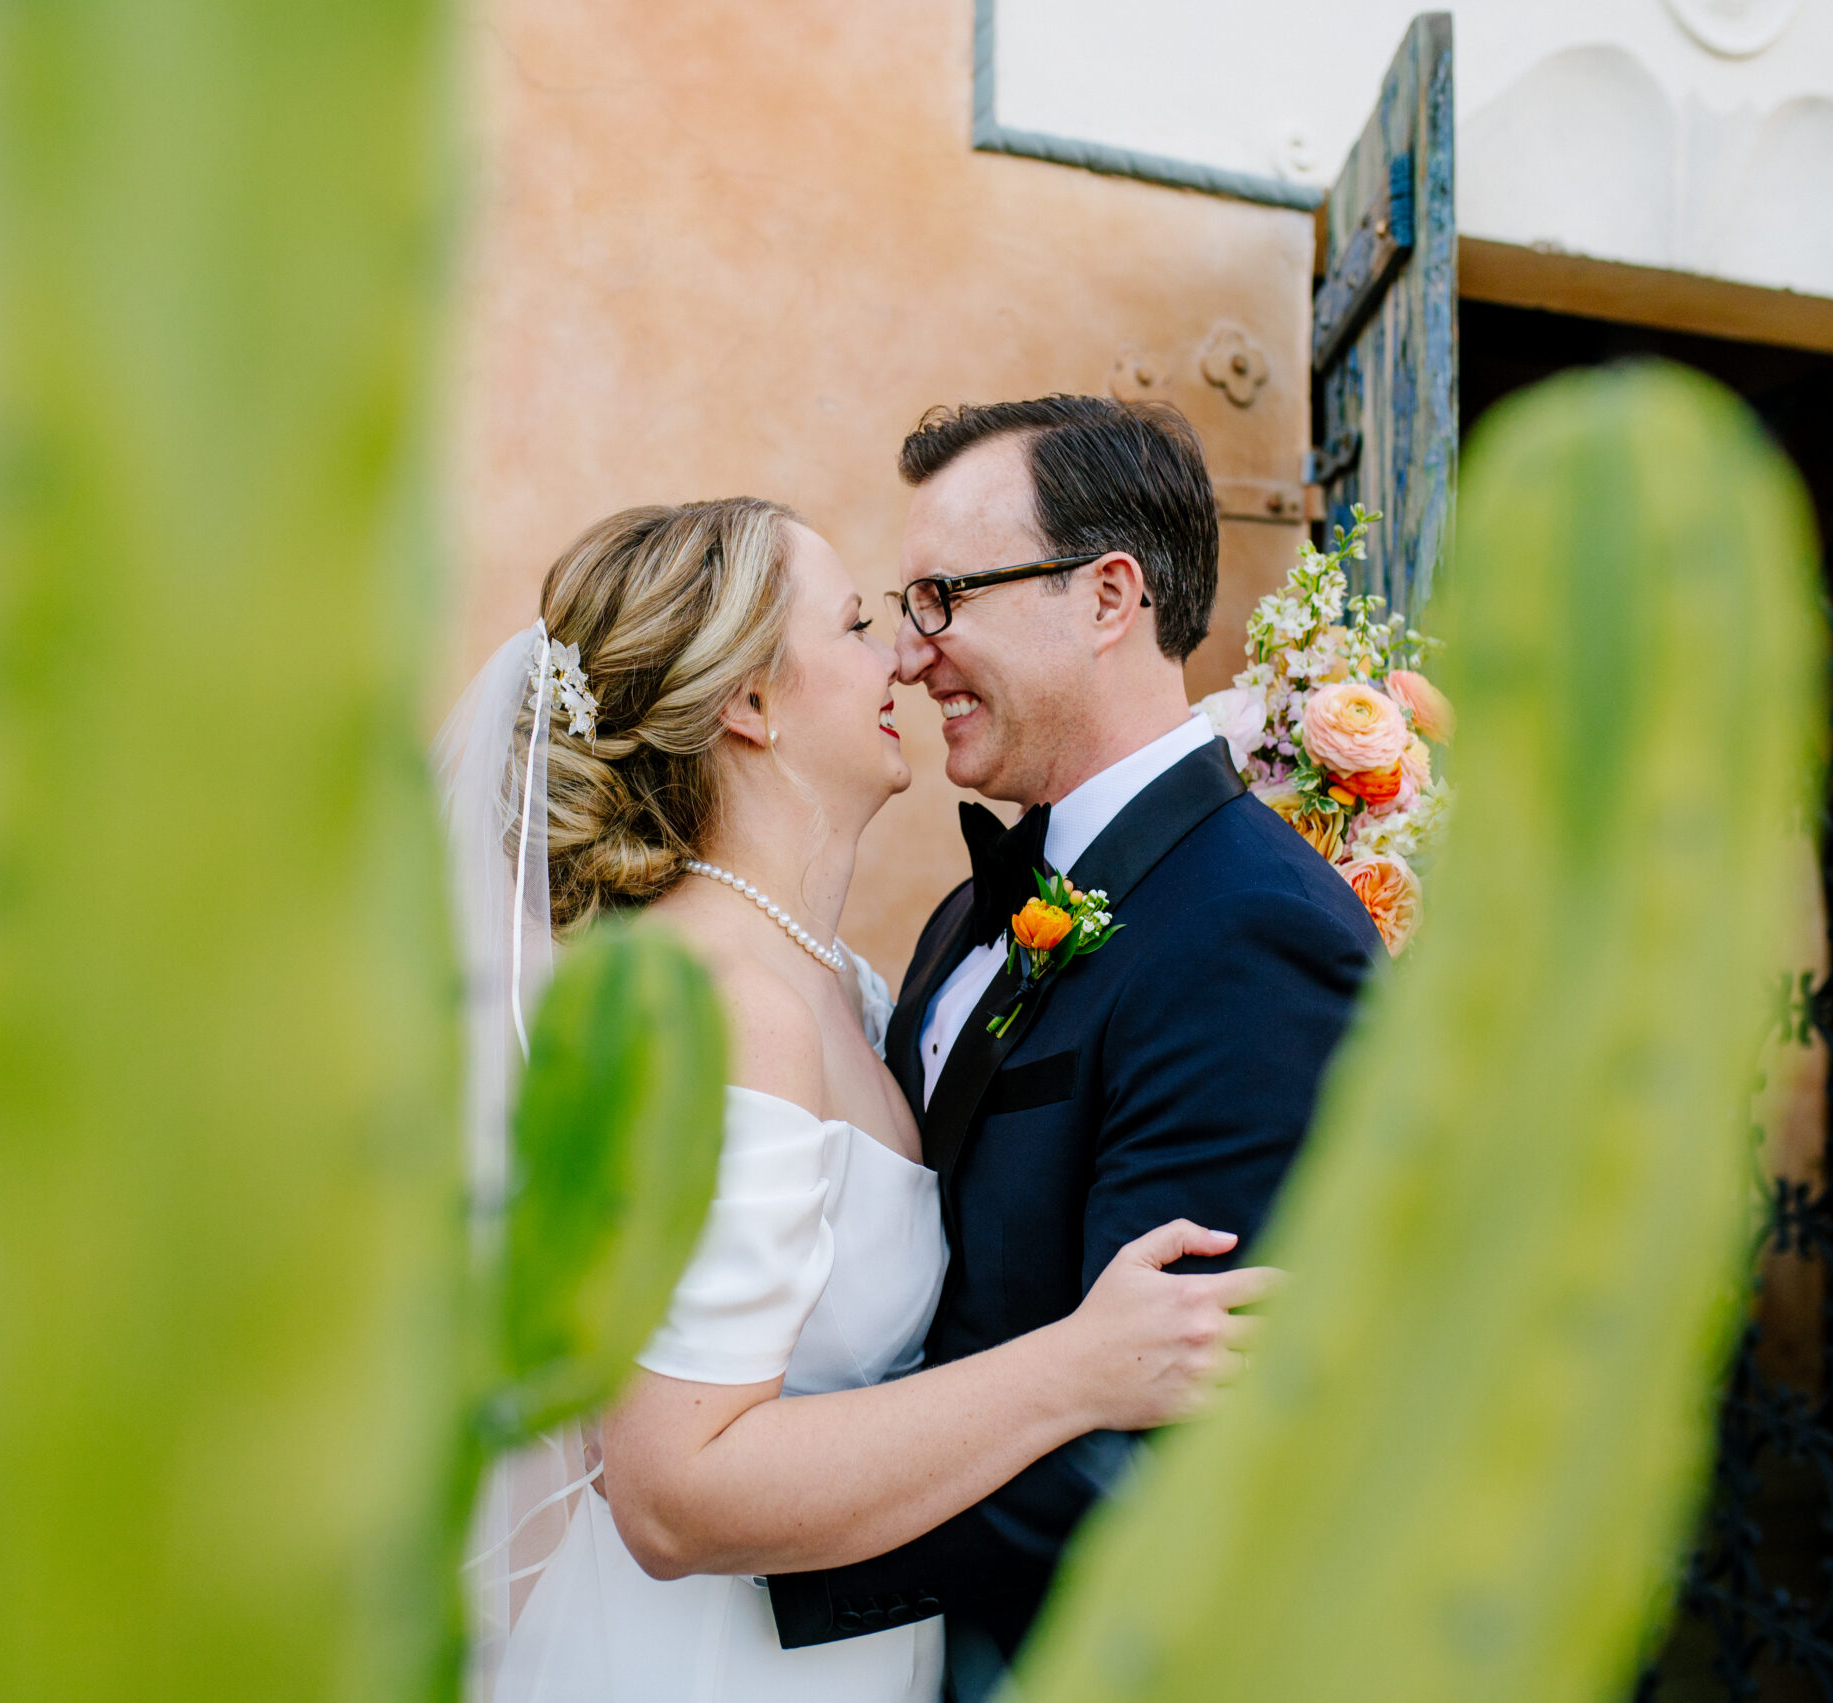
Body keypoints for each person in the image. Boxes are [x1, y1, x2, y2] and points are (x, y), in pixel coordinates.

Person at [441, 496, 1273, 1703]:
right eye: (855, 625)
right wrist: (1081, 1370)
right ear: (752, 704)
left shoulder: (834, 981)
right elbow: (675, 1492)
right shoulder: (728, 1004)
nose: (902, 654)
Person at [762, 397, 1384, 1698]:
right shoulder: (960, 916)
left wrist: (771, 1549)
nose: (913, 656)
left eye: (943, 598)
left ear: (1109, 597)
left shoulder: (1254, 932)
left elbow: (1169, 1428)